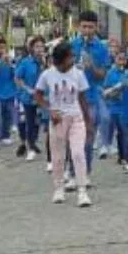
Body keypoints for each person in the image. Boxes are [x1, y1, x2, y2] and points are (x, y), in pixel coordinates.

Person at [34, 41, 93, 208]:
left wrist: (88, 122)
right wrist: (49, 109)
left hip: (76, 118)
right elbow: (37, 95)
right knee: (58, 157)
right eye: (70, 57)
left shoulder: (78, 74)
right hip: (58, 119)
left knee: (78, 154)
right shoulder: (47, 75)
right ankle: (58, 188)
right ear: (60, 60)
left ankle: (82, 191)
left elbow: (82, 99)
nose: (73, 59)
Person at [70, 10, 109, 170]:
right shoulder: (72, 45)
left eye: (90, 27)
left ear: (96, 28)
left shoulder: (101, 48)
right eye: (84, 27)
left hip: (90, 97)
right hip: (72, 97)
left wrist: (91, 65)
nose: (87, 30)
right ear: (79, 27)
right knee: (72, 137)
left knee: (87, 136)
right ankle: (71, 170)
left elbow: (102, 75)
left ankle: (84, 171)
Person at [15, 36, 46, 161]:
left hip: (42, 97)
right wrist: (27, 89)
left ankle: (33, 142)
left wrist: (45, 63)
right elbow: (17, 78)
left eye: (41, 46)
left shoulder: (45, 62)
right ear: (32, 48)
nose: (39, 49)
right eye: (37, 47)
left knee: (38, 122)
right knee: (29, 122)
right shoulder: (25, 62)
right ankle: (30, 148)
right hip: (28, 97)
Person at [103, 51, 128, 160]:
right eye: (119, 59)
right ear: (115, 60)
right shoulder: (110, 73)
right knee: (117, 130)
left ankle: (123, 156)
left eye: (124, 59)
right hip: (113, 106)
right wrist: (114, 91)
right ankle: (108, 146)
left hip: (125, 106)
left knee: (124, 131)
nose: (122, 62)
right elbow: (105, 91)